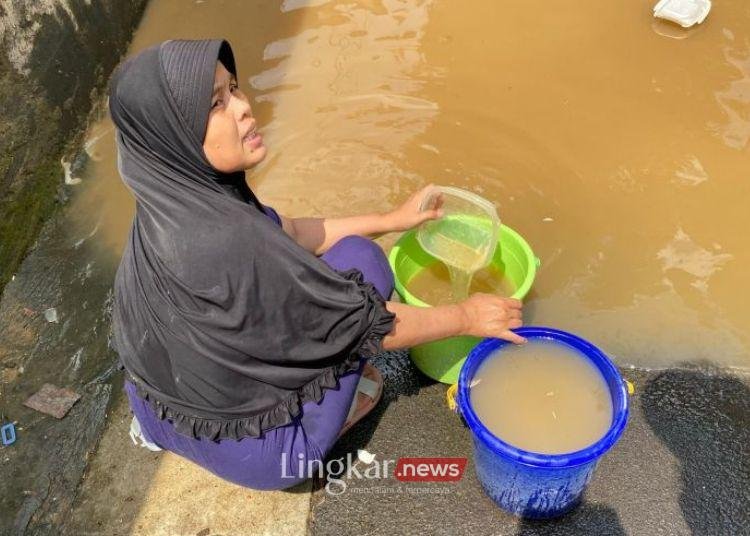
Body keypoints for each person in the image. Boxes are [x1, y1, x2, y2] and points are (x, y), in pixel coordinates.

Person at [109, 39, 524, 490]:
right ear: (174, 132)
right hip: (266, 455)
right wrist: (466, 315)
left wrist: (391, 220)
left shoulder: (171, 200)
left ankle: (156, 435)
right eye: (216, 104)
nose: (244, 108)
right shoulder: (233, 242)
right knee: (365, 265)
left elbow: (292, 231)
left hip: (156, 409)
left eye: (234, 88)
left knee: (353, 256)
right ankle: (326, 424)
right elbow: (368, 325)